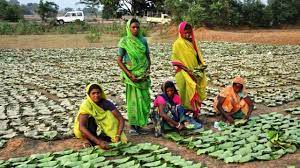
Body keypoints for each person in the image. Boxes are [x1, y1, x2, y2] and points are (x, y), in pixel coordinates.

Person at [116, 18, 151, 135]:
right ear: (128, 28)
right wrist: (130, 74)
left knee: (144, 100)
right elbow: (119, 60)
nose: (135, 29)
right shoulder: (124, 41)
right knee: (133, 101)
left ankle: (140, 125)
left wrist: (146, 71)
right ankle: (133, 126)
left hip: (142, 76)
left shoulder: (143, 40)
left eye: (137, 27)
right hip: (131, 76)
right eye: (133, 27)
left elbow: (148, 57)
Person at [74, 83, 127, 149]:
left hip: (101, 128)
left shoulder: (106, 103)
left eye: (98, 93)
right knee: (90, 118)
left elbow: (120, 119)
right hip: (87, 129)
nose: (96, 95)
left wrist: (118, 134)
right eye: (93, 93)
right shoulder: (86, 105)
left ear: (101, 93)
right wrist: (99, 142)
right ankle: (87, 139)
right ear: (89, 95)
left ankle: (104, 136)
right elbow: (82, 127)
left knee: (109, 114)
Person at [171, 21, 207, 118]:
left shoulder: (193, 42)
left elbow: (197, 56)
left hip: (194, 72)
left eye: (189, 32)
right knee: (185, 95)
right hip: (183, 74)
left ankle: (195, 115)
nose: (188, 34)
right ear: (181, 32)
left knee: (196, 93)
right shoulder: (177, 44)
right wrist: (188, 71)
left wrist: (201, 66)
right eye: (185, 32)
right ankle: (184, 117)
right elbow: (176, 61)